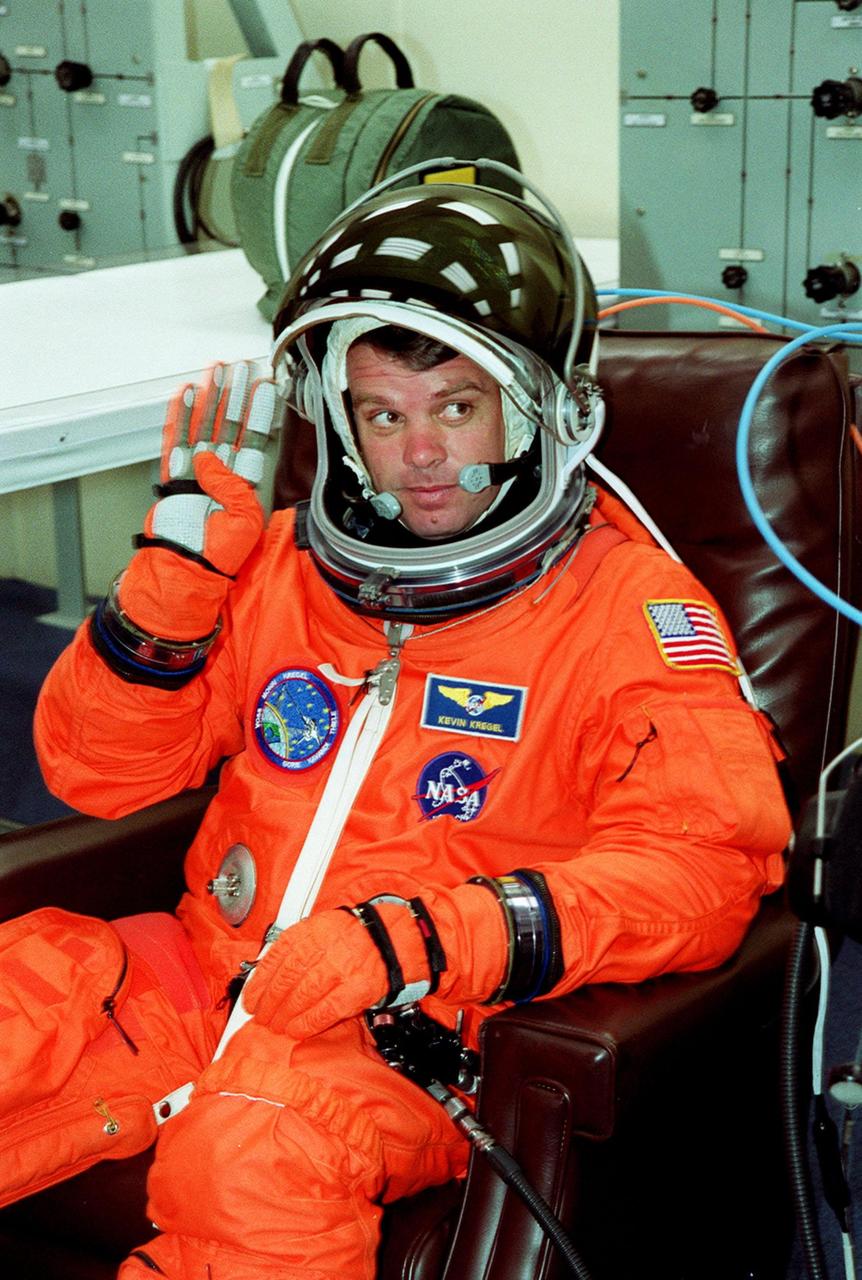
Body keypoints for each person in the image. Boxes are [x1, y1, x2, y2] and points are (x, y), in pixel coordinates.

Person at [6, 173, 790, 1280]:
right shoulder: (280, 564)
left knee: (257, 1146)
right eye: (383, 414)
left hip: (413, 1024)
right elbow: (92, 772)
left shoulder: (629, 613)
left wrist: (418, 939)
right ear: (343, 420)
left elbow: (709, 864)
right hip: (207, 964)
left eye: (455, 408)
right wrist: (167, 590)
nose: (418, 454)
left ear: (536, 413)